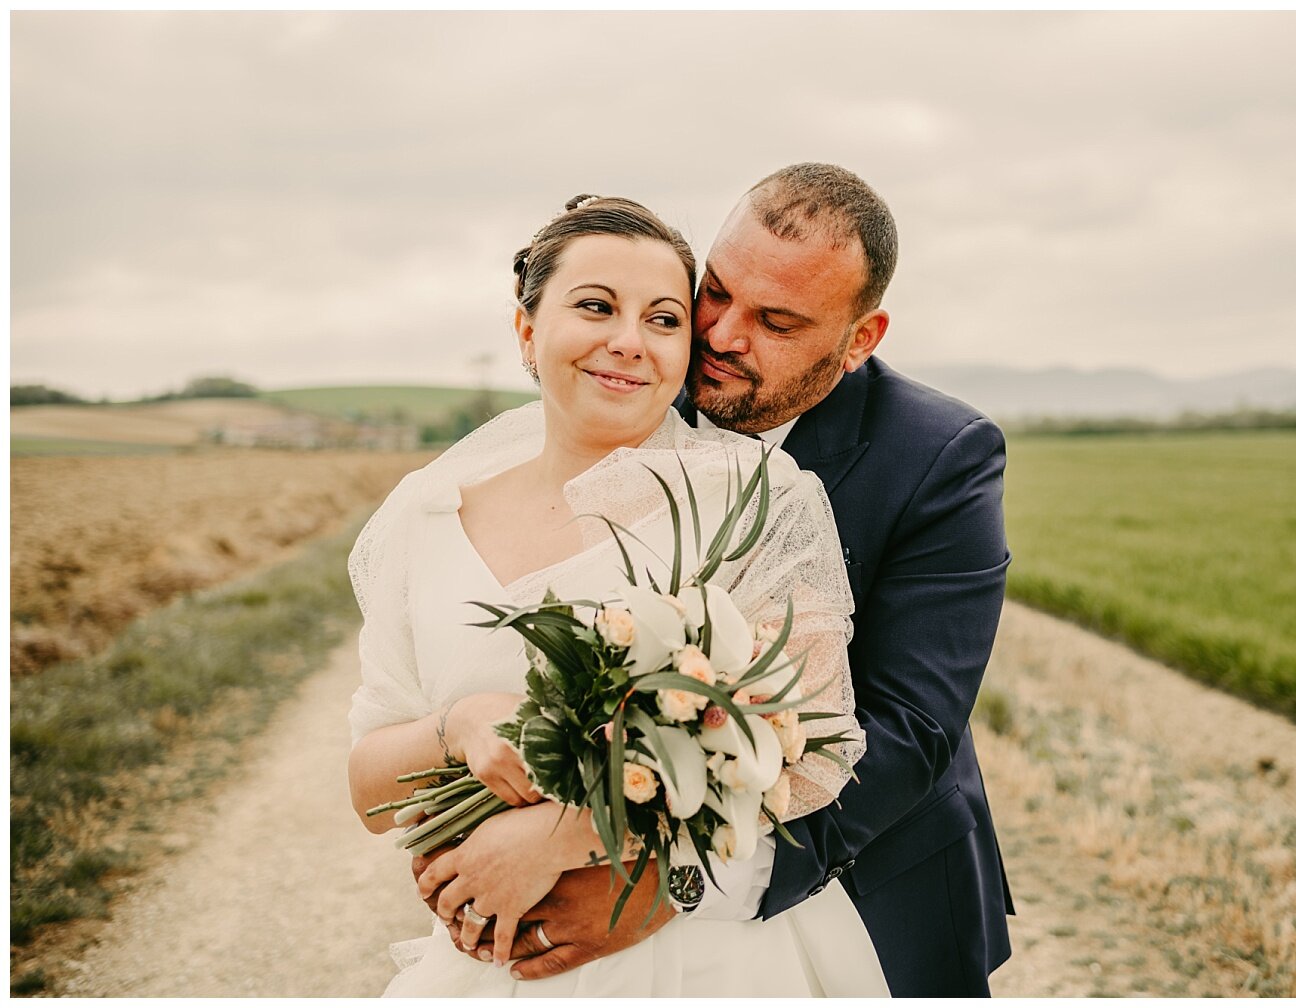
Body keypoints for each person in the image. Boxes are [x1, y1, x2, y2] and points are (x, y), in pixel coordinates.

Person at [488, 164, 1015, 996]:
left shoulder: (940, 456)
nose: (722, 335)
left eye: (776, 320)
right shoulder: (637, 392)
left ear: (859, 340)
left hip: (868, 888)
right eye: (716, 293)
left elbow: (908, 728)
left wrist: (672, 886)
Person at [346, 194, 890, 996]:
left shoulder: (749, 499)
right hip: (485, 969)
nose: (628, 342)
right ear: (528, 332)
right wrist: (454, 728)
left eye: (665, 319)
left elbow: (805, 759)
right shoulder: (429, 517)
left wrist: (565, 838)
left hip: (698, 961)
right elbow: (372, 799)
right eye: (596, 306)